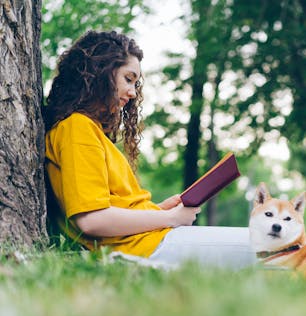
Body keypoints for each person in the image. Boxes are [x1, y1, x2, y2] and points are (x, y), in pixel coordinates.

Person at [43, 30, 256, 269]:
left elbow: (111, 206)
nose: (133, 93)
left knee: (290, 247)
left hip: (148, 240)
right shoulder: (76, 128)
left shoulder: (86, 130)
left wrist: (157, 210)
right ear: (100, 72)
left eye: (136, 83)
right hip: (139, 248)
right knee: (288, 249)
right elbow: (92, 220)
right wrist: (170, 218)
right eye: (128, 78)